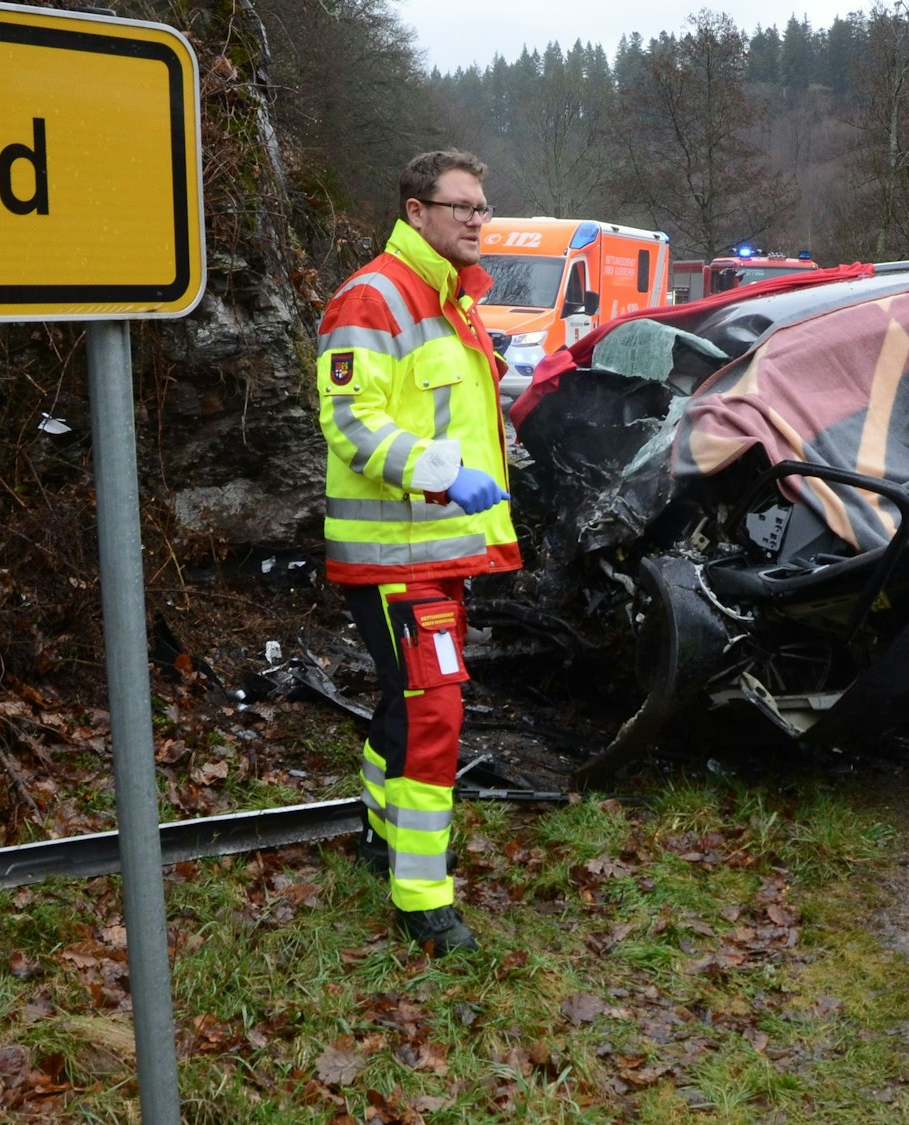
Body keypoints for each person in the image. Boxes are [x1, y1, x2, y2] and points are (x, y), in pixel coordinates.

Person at [314, 150, 520, 956]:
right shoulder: (374, 296)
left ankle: (380, 835)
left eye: (483, 206)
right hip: (394, 555)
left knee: (407, 703)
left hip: (433, 553)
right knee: (435, 711)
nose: (478, 220)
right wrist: (443, 474)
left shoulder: (449, 298)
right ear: (415, 211)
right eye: (462, 206)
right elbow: (351, 421)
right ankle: (423, 900)